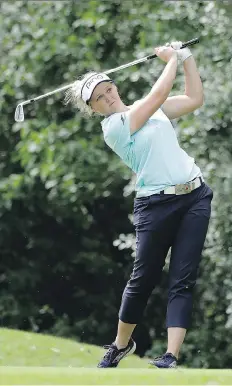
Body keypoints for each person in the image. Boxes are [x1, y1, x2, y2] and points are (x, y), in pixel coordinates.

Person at [64, 41, 213, 369]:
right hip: (155, 205)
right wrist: (171, 58)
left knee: (183, 278)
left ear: (115, 86)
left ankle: (171, 356)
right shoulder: (114, 128)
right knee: (143, 278)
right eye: (99, 98)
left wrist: (186, 59)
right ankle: (120, 344)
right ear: (94, 109)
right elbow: (158, 95)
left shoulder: (148, 109)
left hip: (195, 197)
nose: (107, 97)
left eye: (108, 89)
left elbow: (194, 99)